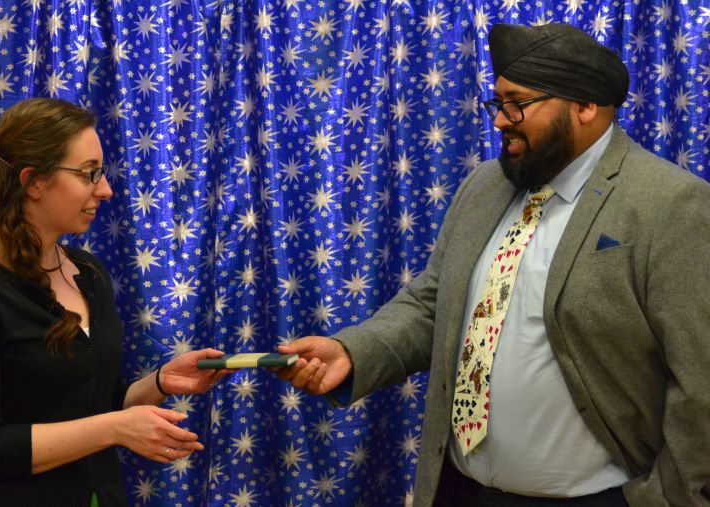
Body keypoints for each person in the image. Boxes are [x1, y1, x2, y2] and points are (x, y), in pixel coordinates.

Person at [276, 23, 710, 507]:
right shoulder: (486, 185)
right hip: (458, 489)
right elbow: (433, 305)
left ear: (586, 106)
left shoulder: (671, 205)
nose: (501, 121)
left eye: (517, 103)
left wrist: (664, 498)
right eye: (497, 103)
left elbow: (701, 379)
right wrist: (353, 352)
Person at [0, 98, 230, 506]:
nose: (106, 189)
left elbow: (95, 403)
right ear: (33, 181)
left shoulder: (88, 273)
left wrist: (159, 383)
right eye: (88, 174)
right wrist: (116, 428)